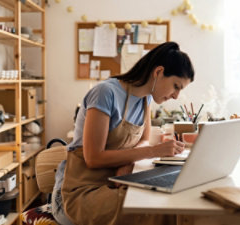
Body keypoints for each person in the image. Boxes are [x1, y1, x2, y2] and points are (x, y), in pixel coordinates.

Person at [51, 41, 195, 225]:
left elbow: (143, 140)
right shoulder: (105, 93)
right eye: (176, 86)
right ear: (158, 72)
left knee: (168, 203)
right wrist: (154, 151)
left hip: (114, 182)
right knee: (155, 211)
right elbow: (93, 158)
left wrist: (129, 161)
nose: (176, 96)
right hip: (80, 193)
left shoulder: (146, 99)